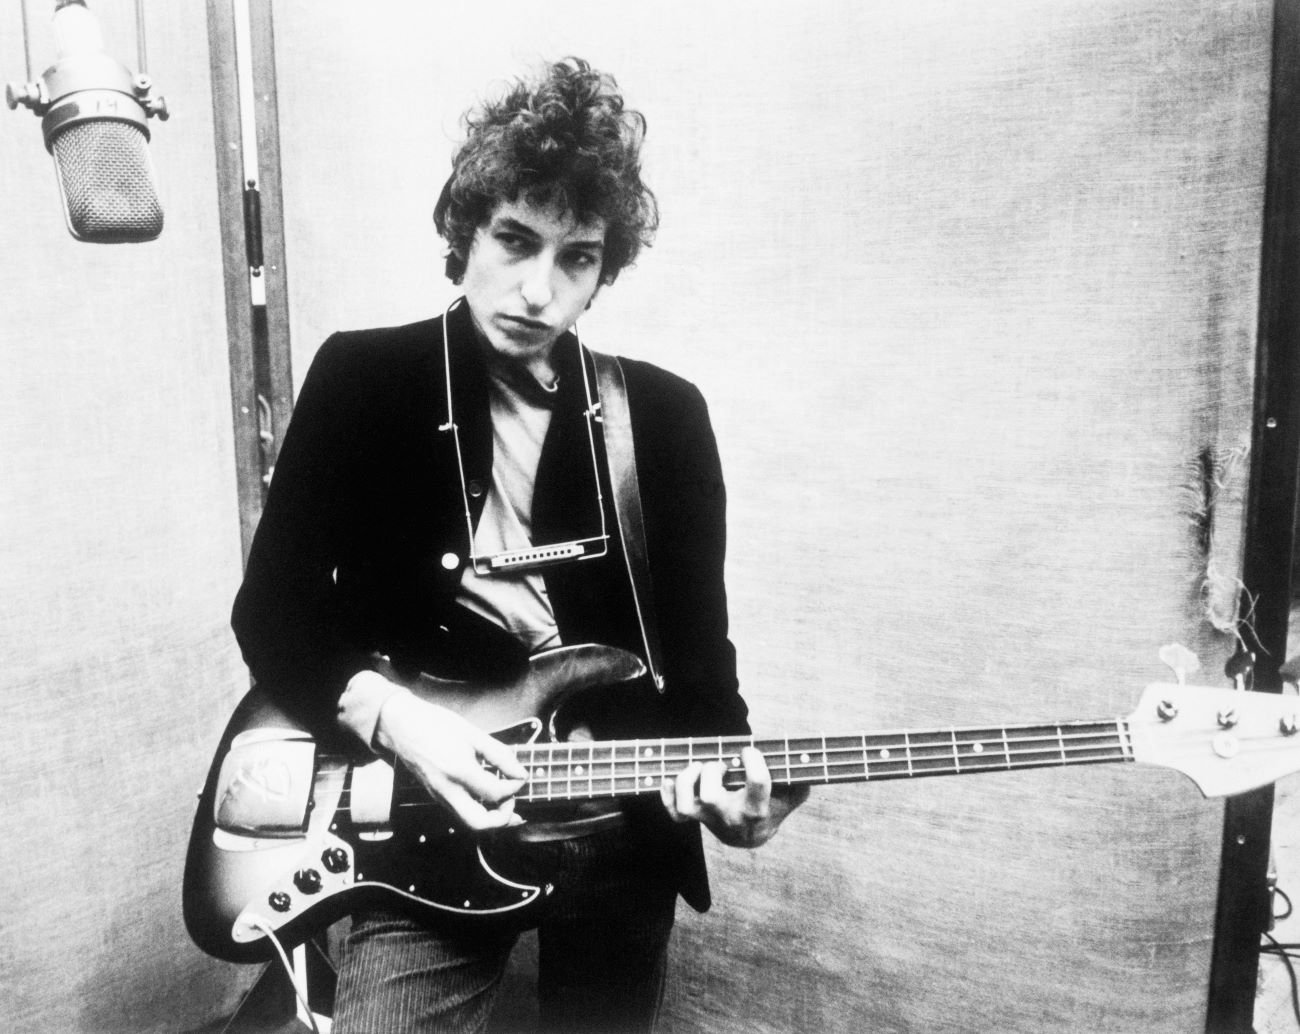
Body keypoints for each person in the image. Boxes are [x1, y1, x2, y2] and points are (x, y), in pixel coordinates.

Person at [231, 56, 805, 1033]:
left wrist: (736, 785)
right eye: (514, 240)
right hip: (410, 826)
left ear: (603, 266)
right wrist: (401, 721)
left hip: (617, 832)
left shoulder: (660, 417)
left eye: (575, 255)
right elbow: (273, 611)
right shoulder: (364, 377)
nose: (539, 289)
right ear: (465, 235)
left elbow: (700, 671)